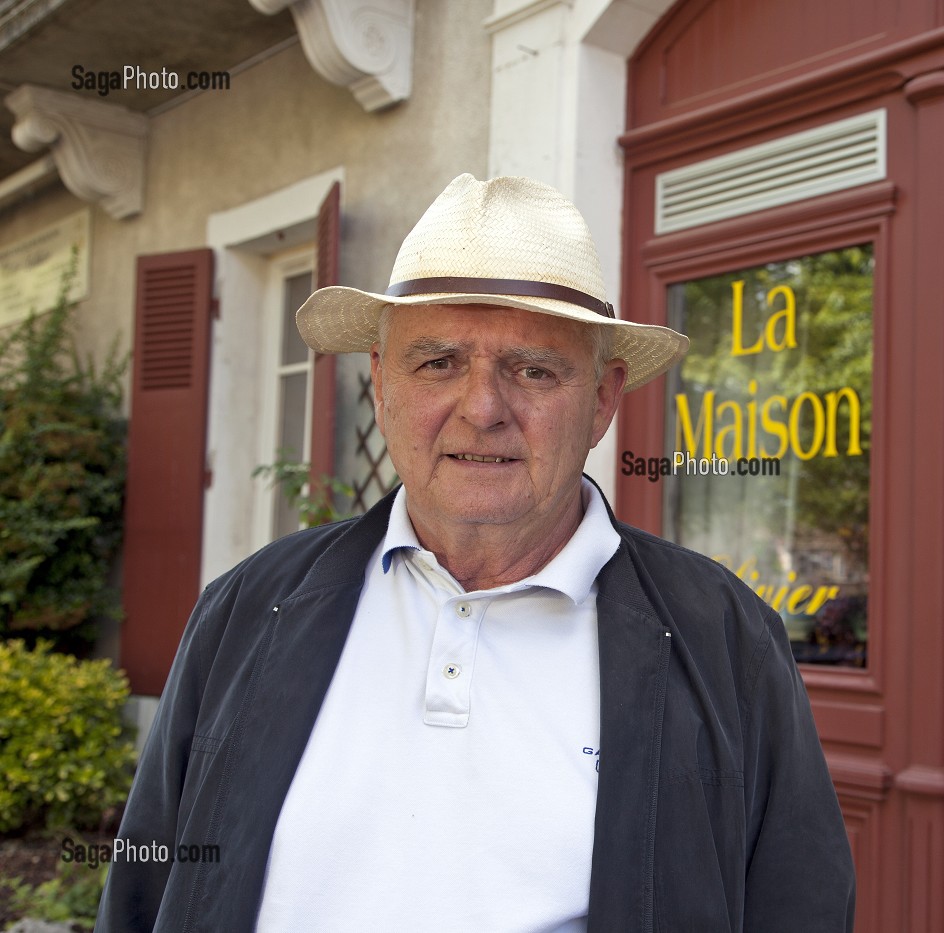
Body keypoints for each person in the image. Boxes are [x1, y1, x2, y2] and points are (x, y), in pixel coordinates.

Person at [97, 174, 856, 932]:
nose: (483, 409)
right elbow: (144, 890)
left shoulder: (724, 636)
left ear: (601, 399)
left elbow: (803, 906)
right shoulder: (246, 609)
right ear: (382, 384)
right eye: (438, 363)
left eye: (534, 369)